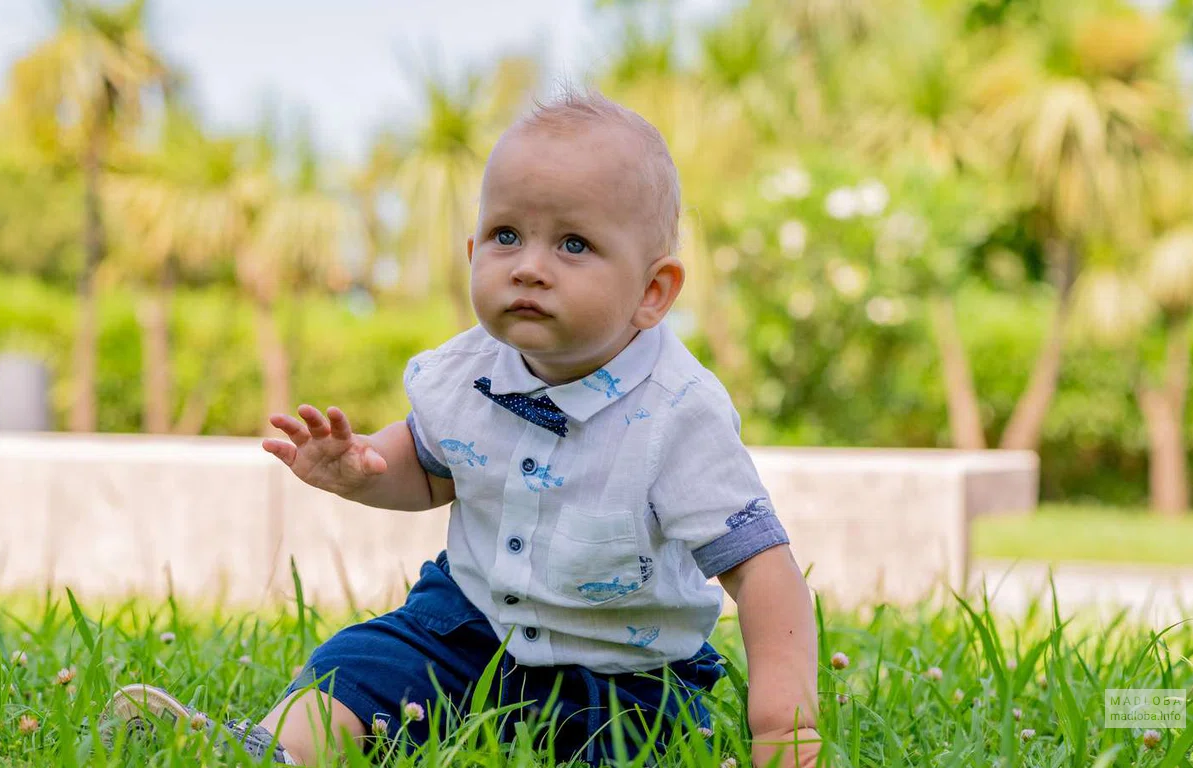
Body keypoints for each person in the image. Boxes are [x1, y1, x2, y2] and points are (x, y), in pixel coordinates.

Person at [100, 88, 821, 767]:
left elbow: (762, 571)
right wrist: (361, 469)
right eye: (507, 235)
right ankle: (266, 752)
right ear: (474, 255)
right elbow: (429, 465)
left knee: (623, 746)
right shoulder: (465, 371)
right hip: (463, 631)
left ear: (652, 292)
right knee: (359, 668)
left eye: (574, 245)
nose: (530, 267)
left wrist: (786, 726)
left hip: (625, 674)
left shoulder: (678, 413)